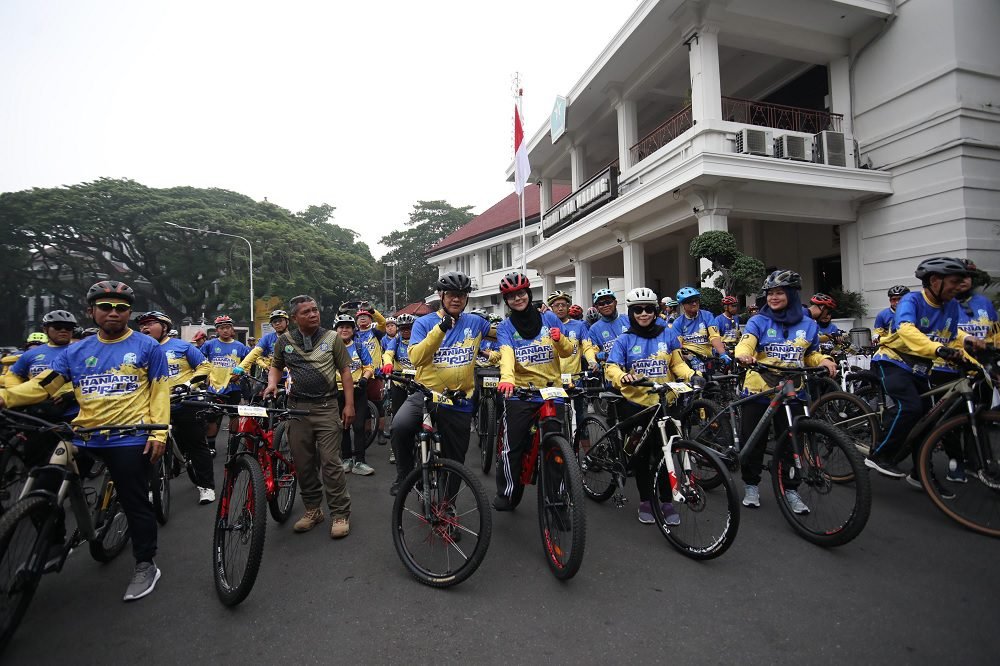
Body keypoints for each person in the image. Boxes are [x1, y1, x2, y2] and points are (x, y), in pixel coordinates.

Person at [0, 280, 170, 601]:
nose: (113, 314)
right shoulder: (76, 350)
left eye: (121, 308)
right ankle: (49, 544)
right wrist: (7, 397)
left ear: (129, 313)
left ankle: (146, 564)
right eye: (105, 307)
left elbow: (160, 390)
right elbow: (45, 385)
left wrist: (159, 432)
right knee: (44, 484)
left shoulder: (148, 347)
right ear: (91, 312)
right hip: (83, 435)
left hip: (129, 437)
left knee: (136, 503)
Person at [867, 258, 985, 479]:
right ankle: (880, 456)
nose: (959, 286)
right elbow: (906, 330)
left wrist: (970, 344)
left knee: (927, 421)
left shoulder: (950, 305)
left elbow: (950, 334)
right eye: (954, 281)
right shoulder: (911, 300)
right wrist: (938, 349)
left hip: (920, 367)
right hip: (892, 361)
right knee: (910, 407)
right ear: (934, 281)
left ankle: (920, 473)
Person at [734, 270, 837, 512]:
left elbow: (810, 354)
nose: (773, 297)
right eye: (770, 293)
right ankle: (751, 485)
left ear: (791, 294)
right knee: (754, 440)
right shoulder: (758, 320)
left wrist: (824, 360)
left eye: (779, 292)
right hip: (758, 390)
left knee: (792, 444)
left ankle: (790, 490)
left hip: (794, 391)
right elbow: (746, 341)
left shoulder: (808, 324)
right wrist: (743, 354)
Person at [389, 271, 490, 496]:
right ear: (441, 295)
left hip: (458, 399)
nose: (457, 299)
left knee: (455, 461)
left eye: (462, 295)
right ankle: (404, 476)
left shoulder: (475, 322)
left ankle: (449, 506)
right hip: (425, 394)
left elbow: (506, 334)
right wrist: (441, 328)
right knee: (400, 426)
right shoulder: (424, 323)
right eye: (452, 294)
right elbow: (416, 357)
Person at [265, 295, 355, 538]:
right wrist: (273, 383)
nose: (313, 314)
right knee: (303, 464)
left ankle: (339, 513)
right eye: (306, 312)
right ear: (295, 318)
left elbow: (345, 372)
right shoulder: (284, 341)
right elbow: (276, 364)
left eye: (315, 309)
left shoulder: (332, 338)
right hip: (297, 410)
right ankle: (313, 510)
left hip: (327, 407)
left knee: (330, 462)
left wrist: (349, 405)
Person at [605, 287, 696, 524]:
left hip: (664, 403)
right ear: (632, 312)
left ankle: (666, 501)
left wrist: (692, 375)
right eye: (638, 310)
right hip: (636, 404)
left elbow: (677, 365)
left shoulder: (667, 334)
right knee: (642, 456)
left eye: (648, 309)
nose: (644, 314)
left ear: (655, 311)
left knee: (664, 453)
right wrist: (621, 377)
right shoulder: (624, 339)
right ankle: (646, 500)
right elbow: (612, 366)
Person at [494, 273, 574, 510]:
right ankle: (508, 491)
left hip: (551, 391)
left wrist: (560, 341)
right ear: (506, 301)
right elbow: (507, 355)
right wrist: (507, 380)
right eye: (511, 296)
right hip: (521, 392)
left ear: (528, 294)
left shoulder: (550, 319)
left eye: (521, 293)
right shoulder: (505, 328)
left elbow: (568, 352)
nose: (517, 299)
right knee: (513, 444)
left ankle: (558, 495)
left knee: (559, 447)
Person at [138, 311, 216, 504]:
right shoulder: (139, 349)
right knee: (146, 447)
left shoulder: (181, 346)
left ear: (164, 327)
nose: (145, 328)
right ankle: (152, 486)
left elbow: (205, 367)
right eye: (142, 325)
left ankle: (206, 486)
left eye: (151, 323)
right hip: (153, 406)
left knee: (196, 445)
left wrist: (189, 385)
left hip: (184, 402)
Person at [5, 310, 80, 464]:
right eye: (58, 327)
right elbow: (13, 374)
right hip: (38, 412)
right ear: (45, 329)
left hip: (70, 413)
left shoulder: (80, 351)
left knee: (68, 461)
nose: (64, 330)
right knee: (33, 459)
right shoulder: (32, 354)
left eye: (69, 327)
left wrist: (70, 393)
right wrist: (21, 390)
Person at [333, 314, 376, 476]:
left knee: (358, 427)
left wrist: (365, 378)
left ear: (353, 330)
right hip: (337, 392)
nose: (345, 330)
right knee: (343, 427)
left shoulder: (358, 346)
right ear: (336, 330)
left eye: (348, 327)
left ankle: (360, 461)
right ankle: (346, 459)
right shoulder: (331, 348)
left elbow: (369, 366)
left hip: (358, 391)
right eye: (341, 327)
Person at [201, 315, 250, 455]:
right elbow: (199, 361)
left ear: (232, 329)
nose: (225, 330)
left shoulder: (240, 346)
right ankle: (211, 446)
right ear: (217, 330)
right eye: (222, 328)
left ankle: (233, 444)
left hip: (232, 387)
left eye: (228, 327)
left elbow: (248, 363)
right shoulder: (209, 345)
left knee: (234, 416)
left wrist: (240, 374)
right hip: (213, 388)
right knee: (211, 417)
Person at [547, 290, 590, 439]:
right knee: (556, 418)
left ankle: (587, 454)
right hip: (554, 380)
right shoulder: (545, 326)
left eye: (563, 305)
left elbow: (587, 345)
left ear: (568, 307)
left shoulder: (579, 325)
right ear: (551, 308)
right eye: (556, 305)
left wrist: (591, 360)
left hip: (575, 377)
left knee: (582, 416)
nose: (560, 308)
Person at [380, 313, 417, 464]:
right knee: (397, 419)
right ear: (399, 330)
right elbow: (388, 353)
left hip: (417, 383)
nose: (406, 331)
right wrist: (388, 363)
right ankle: (395, 450)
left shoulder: (419, 339)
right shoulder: (396, 340)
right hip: (399, 383)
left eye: (409, 328)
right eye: (403, 328)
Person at [672, 287, 731, 369]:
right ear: (682, 305)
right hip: (689, 361)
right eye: (690, 302)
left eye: (696, 300)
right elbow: (678, 346)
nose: (694, 304)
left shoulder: (707, 316)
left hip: (708, 359)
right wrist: (687, 358)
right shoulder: (678, 323)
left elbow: (714, 336)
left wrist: (723, 354)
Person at [584, 288, 630, 368]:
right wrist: (597, 356)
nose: (605, 305)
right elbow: (592, 350)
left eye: (608, 302)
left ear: (615, 303)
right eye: (601, 304)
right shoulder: (594, 329)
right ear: (597, 307)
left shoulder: (628, 320)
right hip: (610, 370)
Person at [237, 310, 290, 378]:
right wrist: (241, 366)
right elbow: (255, 352)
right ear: (272, 325)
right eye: (274, 322)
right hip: (271, 376)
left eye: (280, 320)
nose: (277, 323)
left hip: (291, 377)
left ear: (287, 322)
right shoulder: (267, 338)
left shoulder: (295, 337)